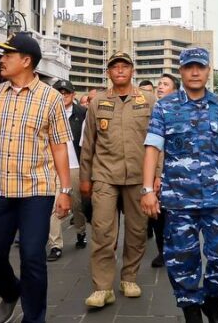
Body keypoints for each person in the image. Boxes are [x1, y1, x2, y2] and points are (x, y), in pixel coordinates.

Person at [0, 33, 72, 323]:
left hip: (37, 189)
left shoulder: (50, 98)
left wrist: (65, 190)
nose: (1, 59)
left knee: (32, 255)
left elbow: (59, 147)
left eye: (7, 55)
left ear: (26, 61)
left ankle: (34, 317)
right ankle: (10, 292)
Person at [141, 47, 218, 323]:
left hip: (217, 198)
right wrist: (146, 190)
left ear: (207, 71)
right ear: (181, 71)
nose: (194, 72)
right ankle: (191, 309)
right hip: (178, 200)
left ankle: (212, 300)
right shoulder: (165, 107)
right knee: (181, 259)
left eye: (199, 67)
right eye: (189, 67)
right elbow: (152, 148)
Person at [78, 52, 156, 309]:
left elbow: (158, 143)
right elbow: (88, 143)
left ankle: (129, 277)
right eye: (115, 67)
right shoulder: (97, 102)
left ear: (132, 71)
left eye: (125, 66)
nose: (120, 71)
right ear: (108, 73)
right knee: (102, 231)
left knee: (136, 231)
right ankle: (102, 287)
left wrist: (157, 177)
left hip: (138, 177)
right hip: (104, 176)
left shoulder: (149, 100)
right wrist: (85, 178)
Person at [47, 79, 88, 261]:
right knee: (54, 207)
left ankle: (80, 231)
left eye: (67, 93)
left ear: (73, 95)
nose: (63, 96)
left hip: (75, 166)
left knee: (77, 206)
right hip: (52, 167)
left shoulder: (83, 113)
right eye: (59, 93)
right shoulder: (47, 112)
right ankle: (55, 245)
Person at [147, 72, 179, 269]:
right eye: (159, 84)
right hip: (156, 172)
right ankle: (163, 251)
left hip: (175, 173)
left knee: (174, 215)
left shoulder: (179, 112)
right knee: (158, 215)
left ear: (175, 90)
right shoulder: (153, 109)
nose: (160, 87)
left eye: (165, 84)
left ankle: (176, 249)